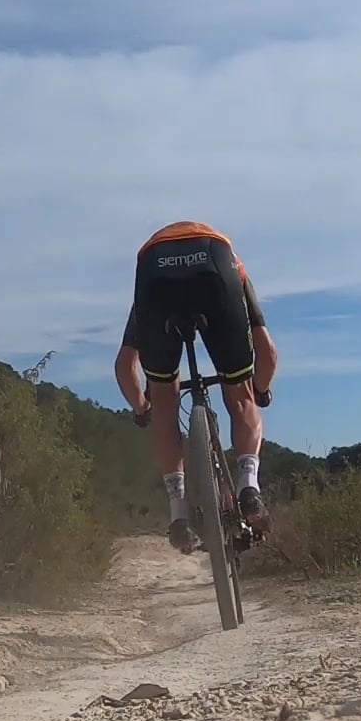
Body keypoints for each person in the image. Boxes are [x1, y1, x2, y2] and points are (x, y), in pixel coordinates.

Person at [114, 220, 279, 554]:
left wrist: (143, 409)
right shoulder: (236, 268)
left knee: (164, 405)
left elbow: (124, 365)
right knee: (241, 396)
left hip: (153, 268)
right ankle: (249, 487)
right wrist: (258, 390)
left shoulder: (144, 287)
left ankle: (178, 513)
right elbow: (268, 352)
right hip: (214, 258)